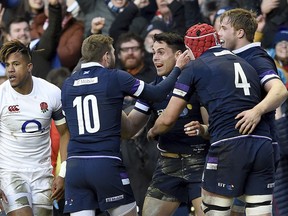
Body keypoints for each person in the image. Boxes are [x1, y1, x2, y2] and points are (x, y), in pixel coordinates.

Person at [147, 23, 276, 216]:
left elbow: (168, 119)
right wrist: (204, 129)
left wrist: (152, 131)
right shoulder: (246, 63)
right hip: (262, 143)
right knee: (260, 212)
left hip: (227, 145)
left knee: (215, 212)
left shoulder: (195, 67)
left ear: (189, 49)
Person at [60, 33, 190, 215]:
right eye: (113, 52)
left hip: (75, 167)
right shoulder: (115, 77)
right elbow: (158, 93)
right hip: (105, 163)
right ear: (106, 56)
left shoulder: (67, 84)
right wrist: (178, 68)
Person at [121, 32, 210, 216]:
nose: (155, 58)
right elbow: (130, 129)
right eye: (153, 52)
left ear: (179, 56)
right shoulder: (152, 89)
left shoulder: (198, 84)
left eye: (161, 52)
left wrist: (201, 129)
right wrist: (112, 102)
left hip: (200, 162)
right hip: (168, 164)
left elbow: (213, 130)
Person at [217, 8, 288, 215]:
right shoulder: (231, 58)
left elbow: (279, 91)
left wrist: (256, 111)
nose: (218, 33)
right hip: (239, 144)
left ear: (239, 33)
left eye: (223, 28)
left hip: (255, 145)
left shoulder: (256, 57)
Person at [0, 40, 70, 215]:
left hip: (42, 174)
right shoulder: (1, 96)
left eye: (16, 64)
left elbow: (65, 133)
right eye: (7, 65)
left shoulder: (52, 93)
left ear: (29, 66)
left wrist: (62, 174)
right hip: (10, 173)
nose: (10, 70)